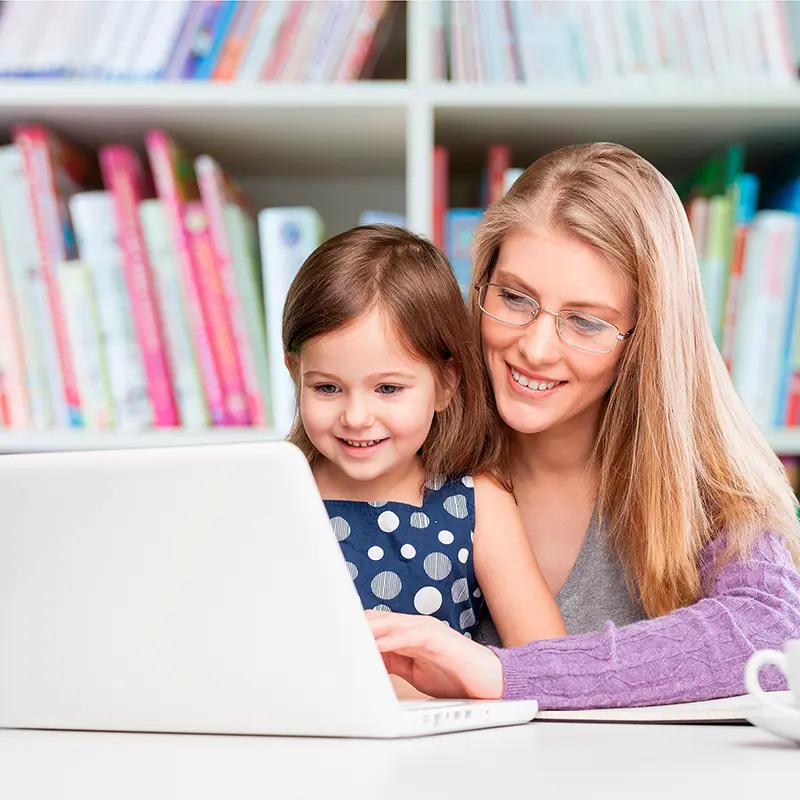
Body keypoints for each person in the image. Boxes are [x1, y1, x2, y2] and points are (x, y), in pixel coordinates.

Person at [368, 142, 800, 709]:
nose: (535, 348)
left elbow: (773, 632)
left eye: (586, 322)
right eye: (514, 297)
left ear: (645, 339)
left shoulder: (706, 481)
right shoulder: (398, 438)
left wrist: (506, 675)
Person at [281, 224, 566, 651]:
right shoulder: (278, 494)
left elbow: (550, 661)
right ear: (295, 374)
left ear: (445, 384)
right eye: (327, 388)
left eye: (387, 388)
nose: (356, 417)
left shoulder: (477, 504)